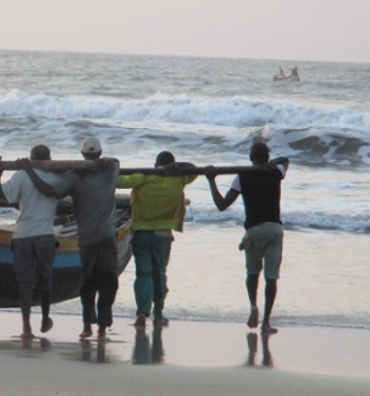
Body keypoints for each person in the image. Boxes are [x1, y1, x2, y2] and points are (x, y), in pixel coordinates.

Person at [20, 138, 120, 340]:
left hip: (88, 240)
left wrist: (29, 171)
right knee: (106, 281)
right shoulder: (109, 171)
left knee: (89, 282)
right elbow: (114, 161)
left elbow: (48, 190)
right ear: (99, 154)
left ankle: (89, 326)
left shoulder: (75, 177)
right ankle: (100, 327)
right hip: (107, 237)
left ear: (83, 155)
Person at [205, 143, 289, 334]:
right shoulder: (276, 173)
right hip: (274, 229)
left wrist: (211, 180)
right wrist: (273, 163)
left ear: (251, 158)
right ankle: (266, 322)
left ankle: (253, 305)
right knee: (271, 277)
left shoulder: (242, 177)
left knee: (252, 273)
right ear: (267, 157)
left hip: (254, 230)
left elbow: (222, 205)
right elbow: (286, 160)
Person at [0, 144, 66, 339]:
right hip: (45, 236)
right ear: (49, 159)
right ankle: (45, 319)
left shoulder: (22, 175)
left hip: (23, 235)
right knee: (45, 278)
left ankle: (26, 327)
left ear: (30, 159)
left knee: (25, 283)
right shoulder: (57, 177)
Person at [116, 151, 197, 329]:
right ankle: (158, 314)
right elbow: (195, 170)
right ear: (172, 165)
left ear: (155, 165)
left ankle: (142, 312)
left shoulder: (144, 176)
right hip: (163, 234)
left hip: (141, 232)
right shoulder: (179, 178)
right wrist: (178, 167)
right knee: (159, 272)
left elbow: (119, 181)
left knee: (143, 273)